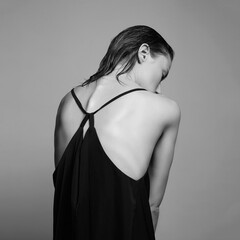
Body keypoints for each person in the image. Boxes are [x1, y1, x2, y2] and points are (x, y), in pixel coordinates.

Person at [52, 25, 181, 240]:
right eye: (162, 74)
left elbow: (64, 188)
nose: (159, 89)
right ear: (143, 53)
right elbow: (152, 206)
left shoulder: (67, 102)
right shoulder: (165, 108)